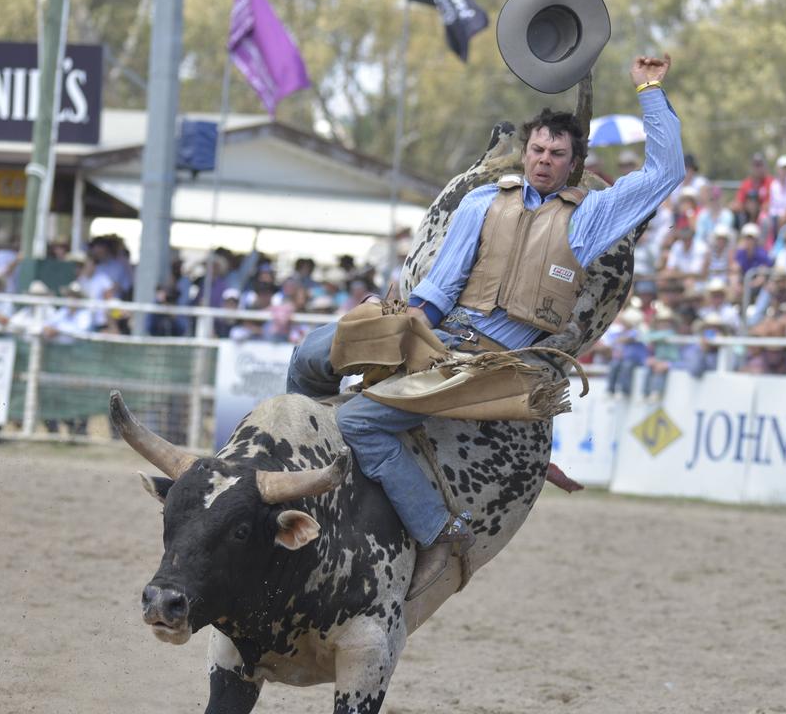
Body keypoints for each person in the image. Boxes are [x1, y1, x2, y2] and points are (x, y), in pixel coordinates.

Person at [285, 54, 684, 600]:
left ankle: (440, 532)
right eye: (538, 149)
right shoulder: (480, 201)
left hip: (488, 360)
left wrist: (650, 89)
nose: (544, 160)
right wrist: (399, 328)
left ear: (572, 163)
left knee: (360, 424)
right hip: (433, 329)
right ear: (526, 151)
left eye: (557, 154)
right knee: (310, 354)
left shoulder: (591, 218)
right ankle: (288, 466)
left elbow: (666, 172)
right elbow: (442, 283)